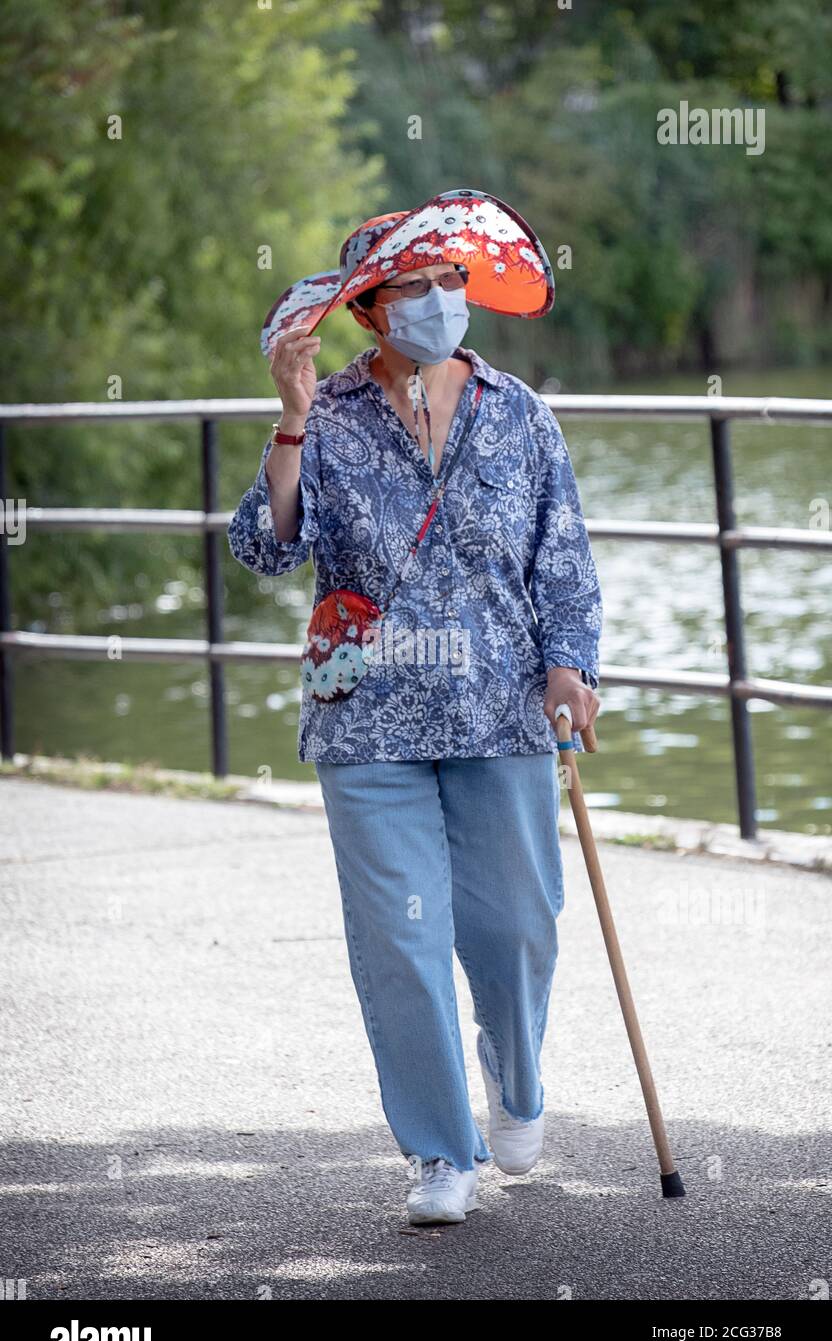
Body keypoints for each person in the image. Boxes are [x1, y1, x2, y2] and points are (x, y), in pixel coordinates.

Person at [228, 189, 602, 1226]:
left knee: (517, 925)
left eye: (453, 283)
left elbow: (563, 560)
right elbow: (265, 546)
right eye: (417, 286)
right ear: (369, 308)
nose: (441, 300)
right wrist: (293, 418)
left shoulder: (520, 414)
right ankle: (441, 1149)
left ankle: (513, 1068)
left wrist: (571, 665)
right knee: (399, 938)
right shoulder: (333, 415)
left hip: (501, 712)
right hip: (367, 718)